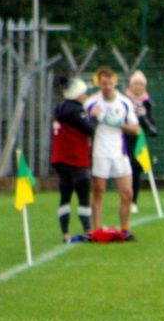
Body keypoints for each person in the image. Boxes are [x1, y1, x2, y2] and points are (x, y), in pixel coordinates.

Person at [84, 67, 140, 240]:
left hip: (119, 153)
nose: (106, 86)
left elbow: (136, 129)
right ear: (98, 83)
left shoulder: (124, 103)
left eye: (109, 82)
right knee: (99, 191)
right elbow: (84, 126)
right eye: (103, 83)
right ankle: (97, 230)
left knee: (127, 193)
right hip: (100, 151)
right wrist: (93, 119)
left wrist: (116, 123)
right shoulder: (92, 103)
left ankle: (125, 229)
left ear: (114, 82)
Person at [50, 77, 96, 243]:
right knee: (83, 193)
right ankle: (87, 230)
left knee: (65, 195)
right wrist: (95, 117)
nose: (85, 95)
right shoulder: (76, 110)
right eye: (83, 92)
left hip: (59, 158)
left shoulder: (60, 108)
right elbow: (90, 129)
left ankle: (65, 233)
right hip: (75, 158)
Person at [124, 70, 159, 215]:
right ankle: (124, 198)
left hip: (139, 140)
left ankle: (133, 201)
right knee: (126, 169)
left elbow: (151, 123)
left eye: (141, 84)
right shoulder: (124, 100)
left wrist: (145, 119)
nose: (138, 87)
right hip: (125, 138)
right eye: (135, 84)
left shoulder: (146, 102)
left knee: (136, 169)